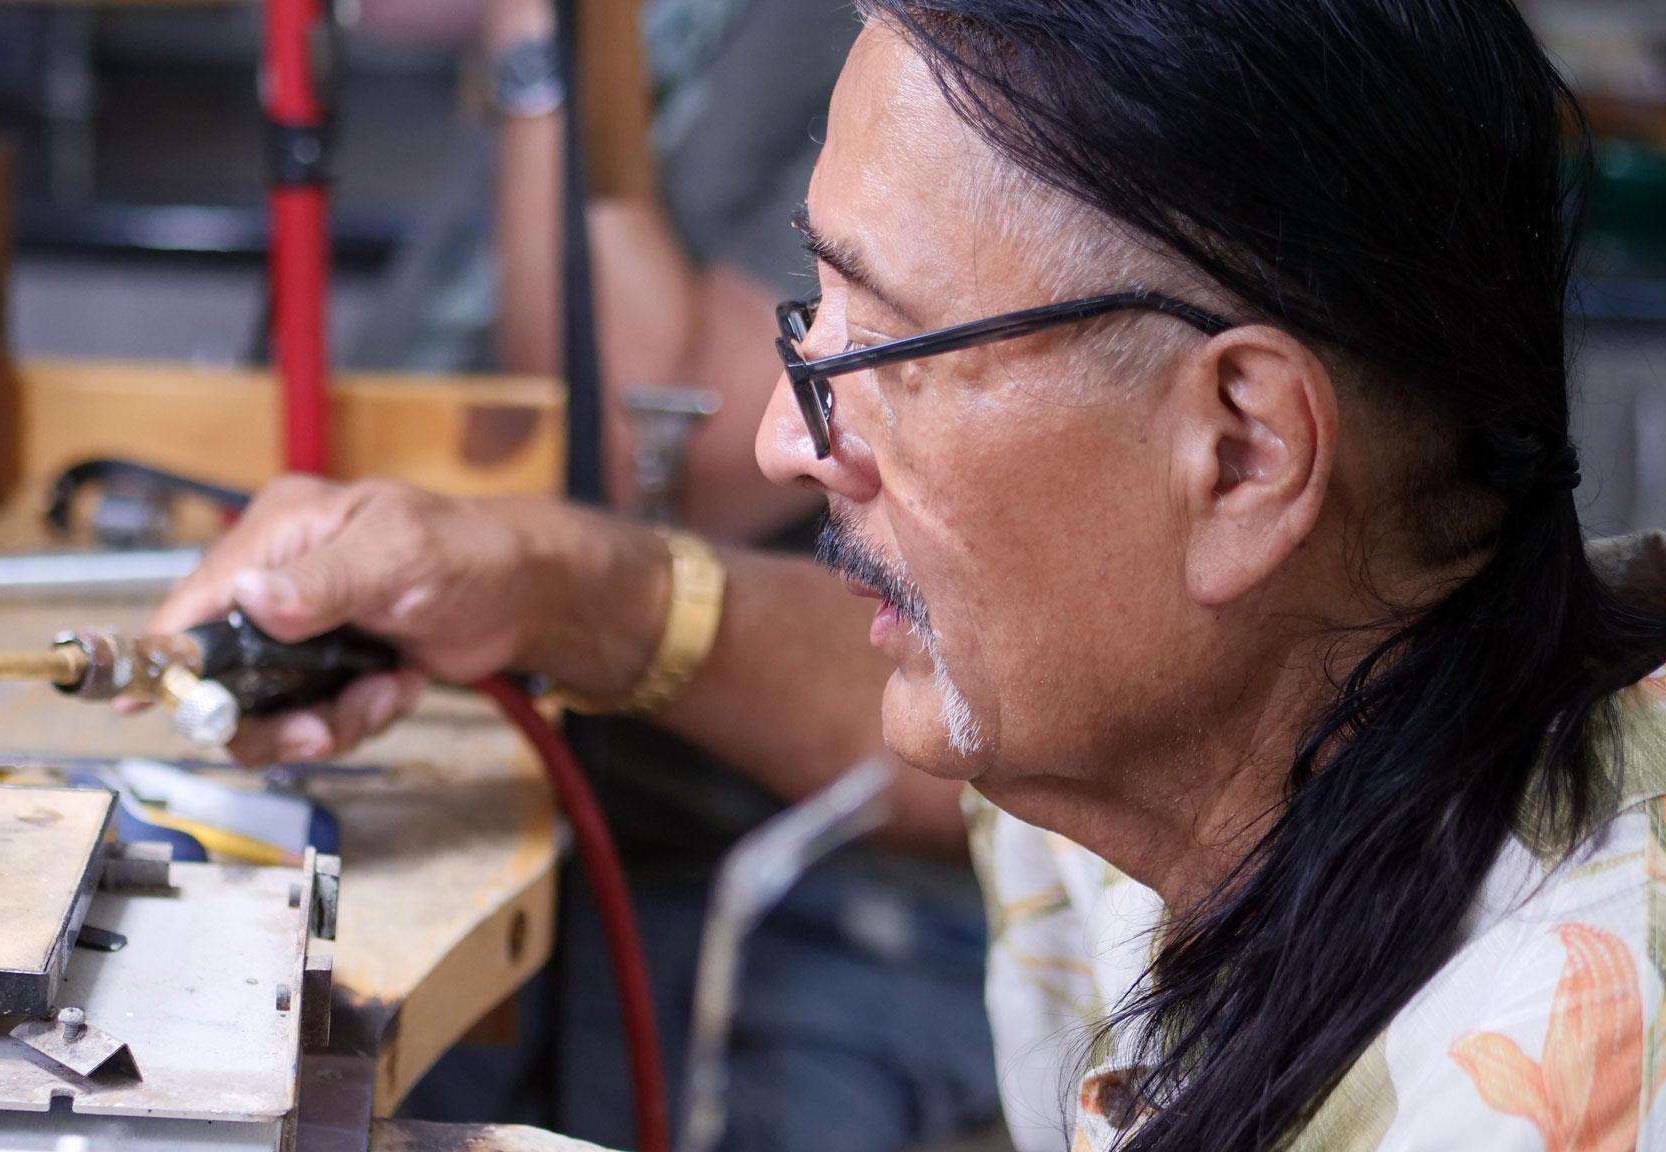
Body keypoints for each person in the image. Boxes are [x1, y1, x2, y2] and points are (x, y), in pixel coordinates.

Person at [155, 0, 1666, 1148]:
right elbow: (987, 759)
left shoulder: (1552, 1071)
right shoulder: (1311, 718)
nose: (779, 440)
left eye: (873, 349)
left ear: (1245, 455)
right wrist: (566, 587)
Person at [357, 1, 999, 1147]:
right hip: (562, 807)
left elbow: (653, 440)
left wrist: (535, 40)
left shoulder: (855, 40)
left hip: (812, 896)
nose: (790, 433)